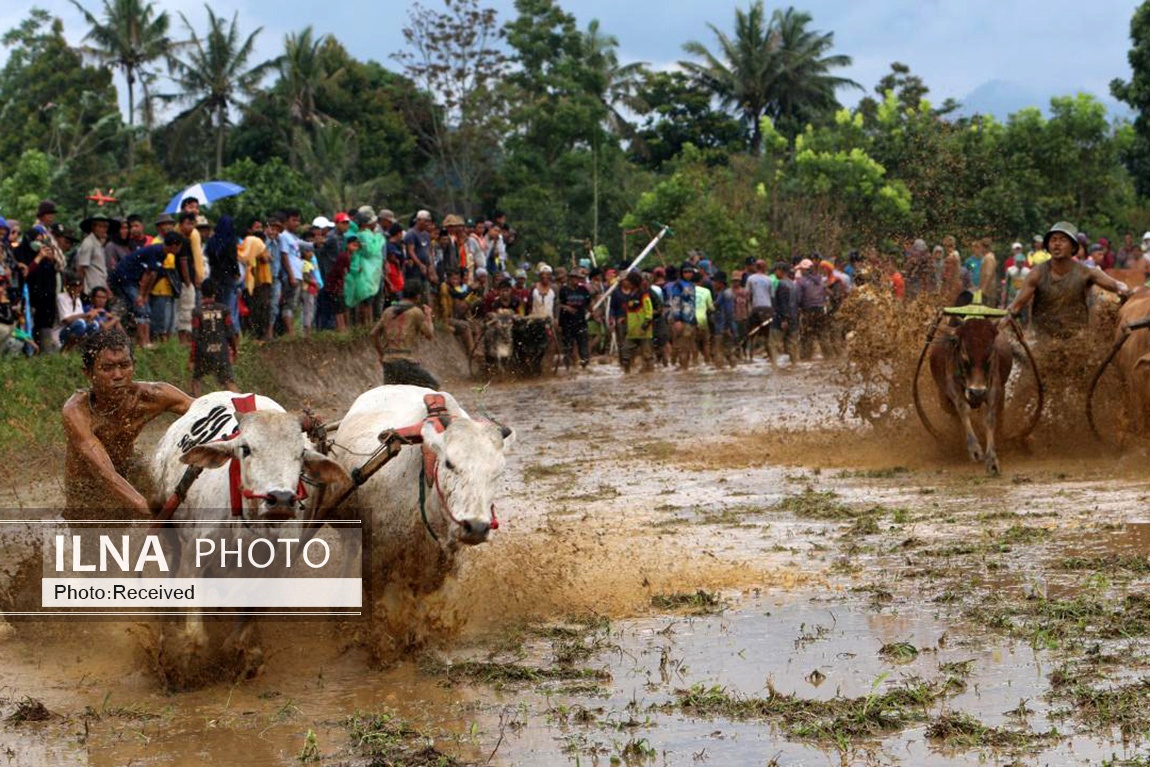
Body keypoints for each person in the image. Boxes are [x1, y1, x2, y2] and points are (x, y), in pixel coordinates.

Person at [61, 328, 193, 518]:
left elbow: (204, 410)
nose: (118, 375)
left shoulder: (151, 396)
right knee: (101, 544)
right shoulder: (77, 411)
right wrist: (148, 510)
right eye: (107, 368)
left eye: (124, 365)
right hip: (86, 487)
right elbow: (104, 472)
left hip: (127, 470)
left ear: (134, 365)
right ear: (88, 374)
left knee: (153, 489)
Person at [1004, 221, 1131, 339]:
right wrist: (1005, 320)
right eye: (1053, 240)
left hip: (1077, 341)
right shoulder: (1036, 274)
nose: (1057, 244)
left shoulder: (1086, 272)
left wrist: (1128, 292)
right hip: (1044, 341)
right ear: (1048, 246)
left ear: (1073, 247)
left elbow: (1117, 286)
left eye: (1062, 240)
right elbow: (1016, 306)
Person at [109, 232, 183, 349]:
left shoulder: (163, 254)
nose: (180, 249)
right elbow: (148, 274)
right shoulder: (156, 251)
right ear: (174, 246)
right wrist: (140, 295)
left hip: (135, 281)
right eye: (179, 246)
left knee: (145, 308)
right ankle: (142, 342)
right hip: (126, 278)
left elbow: (153, 276)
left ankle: (147, 341)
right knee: (141, 308)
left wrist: (146, 295)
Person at [370, 280, 438, 388]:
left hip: (388, 362)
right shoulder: (416, 312)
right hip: (405, 362)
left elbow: (373, 334)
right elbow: (429, 335)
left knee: (392, 395)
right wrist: (428, 316)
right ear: (418, 296)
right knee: (432, 385)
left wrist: (382, 355)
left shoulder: (388, 311)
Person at [189, 279, 238, 396]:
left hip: (203, 352)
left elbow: (195, 336)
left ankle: (196, 407)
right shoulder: (224, 309)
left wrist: (191, 357)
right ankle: (243, 409)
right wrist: (234, 350)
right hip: (221, 351)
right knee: (228, 382)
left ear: (201, 293)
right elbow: (230, 333)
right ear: (215, 293)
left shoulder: (197, 311)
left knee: (196, 380)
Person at [618, 271, 653, 373]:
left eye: (628, 281)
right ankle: (627, 374)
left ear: (632, 282)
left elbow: (649, 311)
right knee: (625, 352)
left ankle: (650, 373)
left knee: (647, 355)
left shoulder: (643, 294)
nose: (626, 283)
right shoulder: (630, 295)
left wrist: (645, 325)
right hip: (632, 331)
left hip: (644, 330)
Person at [558, 267, 591, 368]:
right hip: (567, 323)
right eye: (574, 278)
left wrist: (593, 312)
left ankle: (584, 367)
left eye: (578, 278)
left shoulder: (583, 290)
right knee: (568, 347)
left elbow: (589, 304)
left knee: (583, 348)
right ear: (570, 278)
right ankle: (569, 368)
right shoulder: (563, 290)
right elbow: (558, 305)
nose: (576, 280)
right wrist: (566, 307)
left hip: (581, 322)